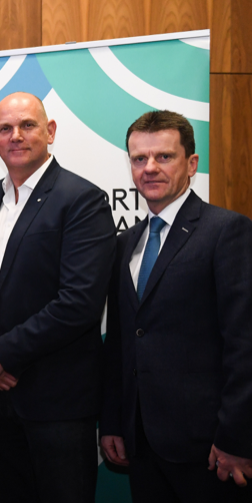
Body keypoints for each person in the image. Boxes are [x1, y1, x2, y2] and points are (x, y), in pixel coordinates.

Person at [0, 92, 115, 503]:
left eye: (27, 125)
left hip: (57, 403)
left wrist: (2, 354)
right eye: (5, 129)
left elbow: (79, 303)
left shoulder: (82, 199)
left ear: (50, 131)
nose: (16, 136)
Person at [100, 110, 252, 502]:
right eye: (139, 158)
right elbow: (120, 341)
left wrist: (237, 438)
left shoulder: (227, 231)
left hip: (210, 449)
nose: (149, 168)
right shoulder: (124, 243)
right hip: (141, 444)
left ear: (192, 164)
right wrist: (114, 422)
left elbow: (245, 344)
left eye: (164, 156)